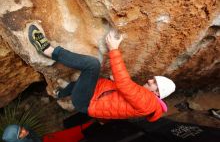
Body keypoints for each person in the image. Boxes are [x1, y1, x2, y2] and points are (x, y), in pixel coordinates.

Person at [28, 25, 175, 122]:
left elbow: (125, 85)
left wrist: (114, 49)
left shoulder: (149, 103)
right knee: (75, 84)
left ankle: (48, 51)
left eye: (154, 83)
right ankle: (58, 94)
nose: (150, 81)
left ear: (157, 94)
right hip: (92, 96)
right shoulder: (145, 99)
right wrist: (115, 82)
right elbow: (125, 94)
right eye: (153, 79)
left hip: (87, 102)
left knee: (92, 65)